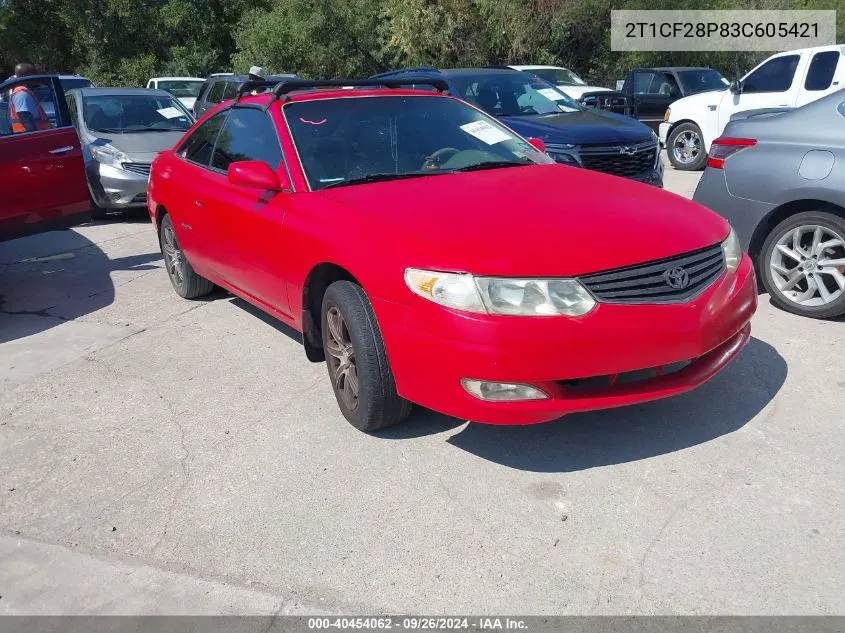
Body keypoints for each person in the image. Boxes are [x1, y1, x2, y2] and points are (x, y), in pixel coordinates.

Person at [9, 62, 51, 133]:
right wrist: (37, 138)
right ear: (26, 75)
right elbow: (26, 121)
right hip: (30, 138)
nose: (36, 78)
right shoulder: (22, 94)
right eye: (33, 74)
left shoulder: (25, 92)